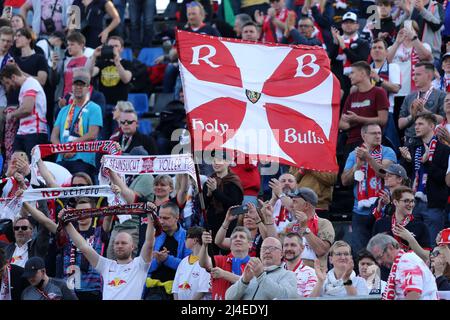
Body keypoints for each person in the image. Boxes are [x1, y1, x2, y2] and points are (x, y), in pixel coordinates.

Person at [63, 202, 156, 300]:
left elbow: (149, 243)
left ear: (132, 246)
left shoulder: (140, 264)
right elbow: (84, 247)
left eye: (124, 243)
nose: (119, 246)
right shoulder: (106, 265)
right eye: (117, 243)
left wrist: (150, 215)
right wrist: (67, 223)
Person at [22, 197, 112, 300]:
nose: (82, 215)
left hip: (92, 290)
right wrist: (23, 202)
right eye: (78, 212)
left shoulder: (100, 232)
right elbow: (44, 221)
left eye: (86, 211)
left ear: (93, 213)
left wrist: (114, 197)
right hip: (69, 291)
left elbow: (109, 217)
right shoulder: (66, 233)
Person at [341, 123, 397, 256]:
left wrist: (369, 158)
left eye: (379, 133)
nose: (378, 136)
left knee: (384, 252)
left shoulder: (387, 151)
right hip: (360, 211)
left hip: (382, 209)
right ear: (363, 135)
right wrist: (357, 165)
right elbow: (344, 180)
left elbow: (385, 173)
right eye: (374, 133)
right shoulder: (353, 154)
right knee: (361, 252)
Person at [399, 112, 450, 244]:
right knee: (413, 245)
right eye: (415, 124)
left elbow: (442, 179)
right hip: (414, 203)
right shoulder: (414, 148)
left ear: (432, 126)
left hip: (434, 205)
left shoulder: (444, 149)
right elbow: (406, 175)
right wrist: (407, 161)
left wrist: (427, 163)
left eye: (420, 124)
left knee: (432, 245)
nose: (416, 127)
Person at [50, 70, 103, 180]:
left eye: (82, 85)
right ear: (71, 87)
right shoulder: (63, 110)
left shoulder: (94, 108)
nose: (78, 87)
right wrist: (63, 150)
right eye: (76, 84)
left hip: (83, 160)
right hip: (62, 158)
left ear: (88, 88)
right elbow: (54, 136)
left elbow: (93, 134)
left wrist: (71, 146)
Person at [142, 202, 192, 300]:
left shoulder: (187, 237)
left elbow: (189, 267)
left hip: (178, 288)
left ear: (177, 218)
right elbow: (143, 267)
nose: (161, 221)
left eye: (166, 218)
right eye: (160, 217)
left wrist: (167, 259)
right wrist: (158, 261)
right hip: (153, 288)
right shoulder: (153, 236)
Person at [367, 233, 438, 300]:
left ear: (390, 247)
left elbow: (413, 294)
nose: (379, 262)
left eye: (380, 256)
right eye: (377, 260)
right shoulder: (403, 261)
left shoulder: (406, 262)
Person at [225, 237, 299, 300]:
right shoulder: (251, 273)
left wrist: (261, 276)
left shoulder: (288, 274)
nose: (267, 251)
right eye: (264, 249)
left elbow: (286, 297)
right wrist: (244, 281)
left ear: (281, 254)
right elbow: (228, 297)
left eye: (272, 248)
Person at [339, 61, 389, 152]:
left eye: (352, 73)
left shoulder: (379, 92)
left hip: (372, 143)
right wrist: (353, 121)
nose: (349, 76)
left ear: (362, 74)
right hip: (351, 143)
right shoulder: (352, 96)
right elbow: (342, 124)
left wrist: (357, 119)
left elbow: (383, 120)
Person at [0, 63, 48, 157]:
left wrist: (12, 114)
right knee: (16, 165)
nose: (7, 87)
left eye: (7, 82)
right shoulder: (25, 86)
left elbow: (27, 108)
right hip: (24, 132)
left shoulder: (30, 83)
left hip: (34, 133)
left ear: (13, 77)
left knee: (32, 168)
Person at [372, 186, 431, 262]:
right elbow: (373, 253)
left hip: (409, 271)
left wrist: (410, 239)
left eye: (412, 201)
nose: (411, 204)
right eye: (406, 201)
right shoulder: (380, 223)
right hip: (386, 271)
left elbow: (426, 257)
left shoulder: (421, 226)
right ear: (395, 202)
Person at [90, 35, 133, 140]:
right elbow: (89, 74)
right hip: (103, 107)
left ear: (121, 48)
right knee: (102, 139)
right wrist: (94, 57)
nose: (113, 49)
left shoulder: (126, 63)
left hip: (120, 107)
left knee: (116, 139)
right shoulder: (101, 63)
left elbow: (126, 78)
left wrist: (117, 61)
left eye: (116, 46)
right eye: (110, 46)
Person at [283, 187, 335, 269]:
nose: (291, 205)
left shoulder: (324, 224)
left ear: (306, 205)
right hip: (290, 273)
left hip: (315, 274)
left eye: (295, 202)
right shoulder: (290, 226)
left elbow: (321, 250)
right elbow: (278, 246)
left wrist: (305, 228)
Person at [203, 150, 244, 252]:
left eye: (220, 160)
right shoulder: (209, 181)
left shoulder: (233, 182)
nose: (216, 163)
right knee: (211, 256)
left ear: (228, 162)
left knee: (227, 255)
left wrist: (215, 191)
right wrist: (208, 195)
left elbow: (235, 206)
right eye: (214, 160)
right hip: (212, 224)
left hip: (229, 225)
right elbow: (202, 206)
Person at [398, 62, 445, 146]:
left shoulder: (441, 95)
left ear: (429, 76)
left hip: (431, 142)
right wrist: (412, 116)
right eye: (414, 74)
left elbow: (443, 120)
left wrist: (424, 111)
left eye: (418, 74)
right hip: (410, 142)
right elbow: (400, 124)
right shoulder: (409, 97)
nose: (414, 78)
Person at [199, 227, 251, 300]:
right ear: (230, 244)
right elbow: (204, 263)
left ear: (250, 244)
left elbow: (252, 285)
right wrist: (204, 246)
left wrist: (224, 274)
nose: (238, 239)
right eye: (234, 237)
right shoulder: (220, 260)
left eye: (242, 237)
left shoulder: (254, 265)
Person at [387, 23, 433, 102]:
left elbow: (426, 57)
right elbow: (386, 62)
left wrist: (414, 39)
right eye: (405, 29)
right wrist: (397, 42)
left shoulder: (424, 46)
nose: (408, 32)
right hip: (396, 92)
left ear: (416, 32)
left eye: (411, 29)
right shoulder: (392, 47)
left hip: (417, 93)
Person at [329, 12, 370, 99]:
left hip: (355, 82)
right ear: (342, 25)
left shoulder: (363, 43)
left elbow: (361, 61)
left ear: (357, 25)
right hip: (337, 81)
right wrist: (336, 44)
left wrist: (344, 47)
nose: (348, 25)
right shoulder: (335, 41)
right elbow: (330, 60)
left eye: (351, 22)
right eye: (345, 22)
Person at [369, 38, 401, 150]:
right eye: (374, 48)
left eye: (380, 48)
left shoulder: (393, 67)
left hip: (387, 113)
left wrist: (379, 80)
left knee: (389, 147)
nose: (377, 50)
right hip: (368, 114)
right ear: (370, 52)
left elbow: (396, 88)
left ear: (386, 52)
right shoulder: (366, 68)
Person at [172, 226, 211, 300]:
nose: (185, 240)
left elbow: (203, 290)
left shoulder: (207, 261)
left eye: (186, 237)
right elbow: (175, 289)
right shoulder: (183, 261)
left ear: (195, 240)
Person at [282, 232, 317, 297]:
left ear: (302, 248)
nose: (289, 248)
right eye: (286, 245)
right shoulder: (276, 271)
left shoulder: (311, 273)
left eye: (293, 245)